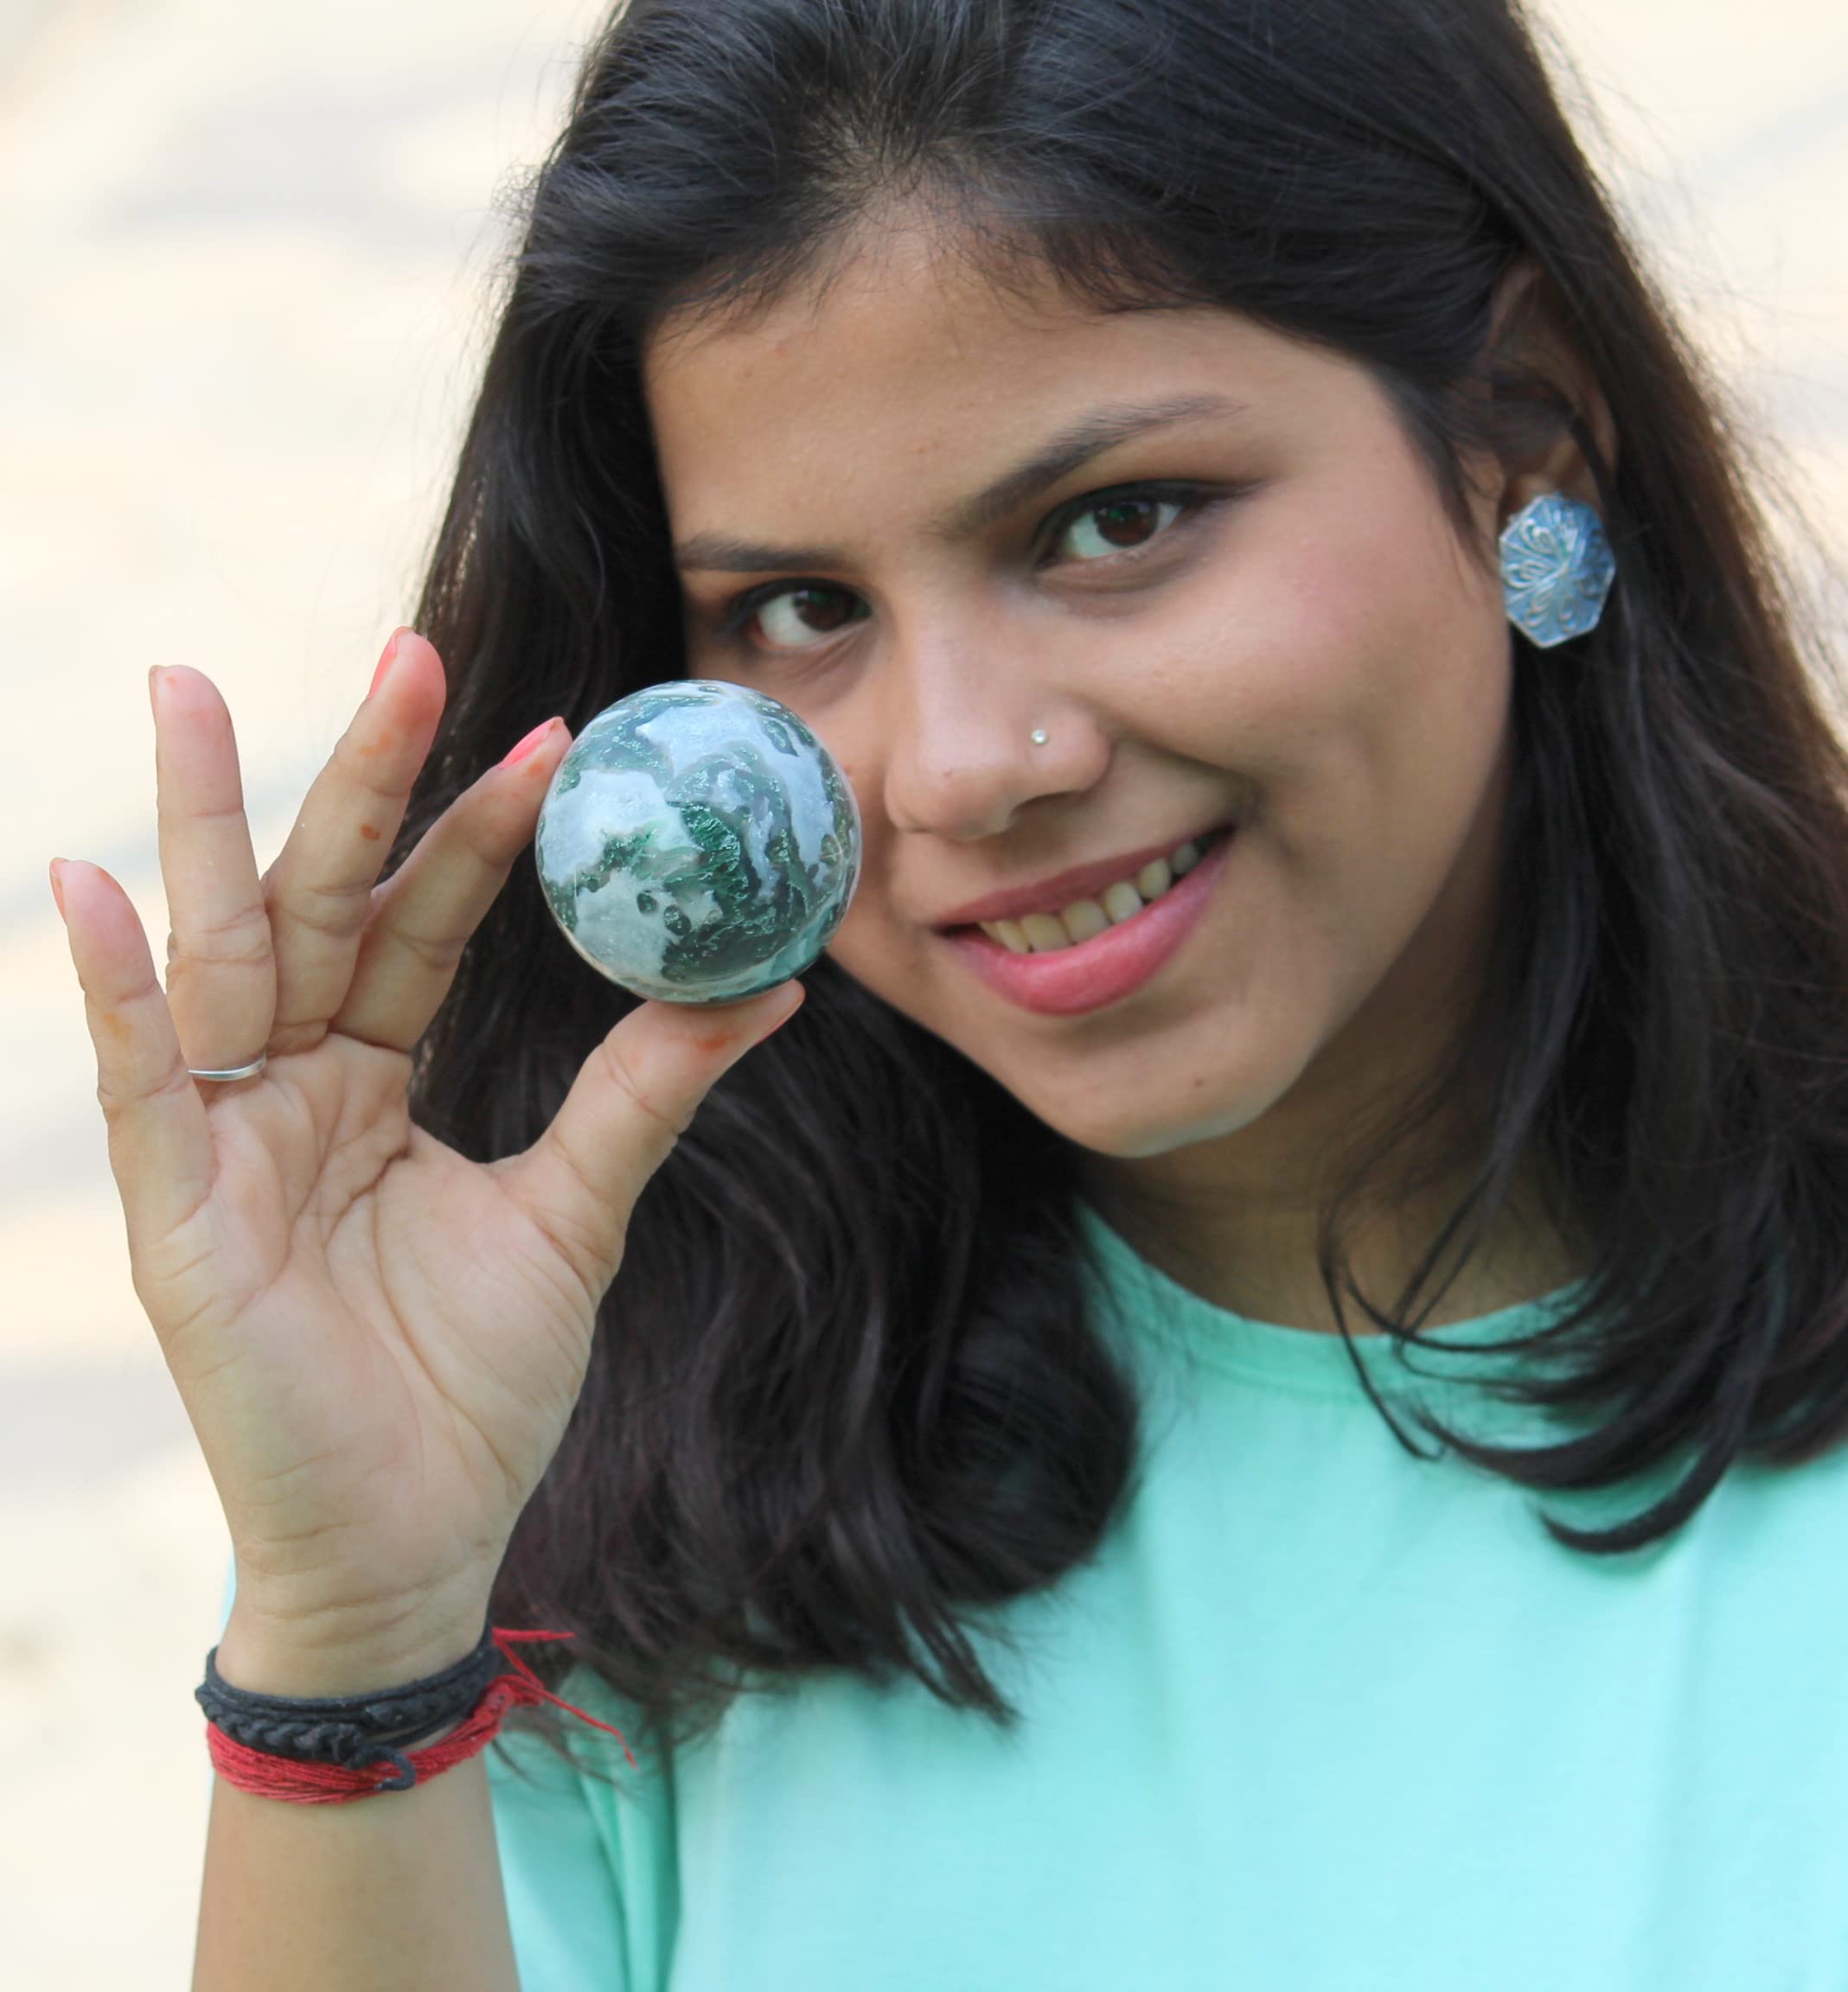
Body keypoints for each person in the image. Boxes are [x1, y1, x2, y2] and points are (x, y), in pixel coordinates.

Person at [46, 0, 1848, 1983]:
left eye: (1114, 523)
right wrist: (353, 1635)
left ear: (1520, 429)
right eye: (800, 610)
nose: (960, 768)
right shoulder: (575, 1500)